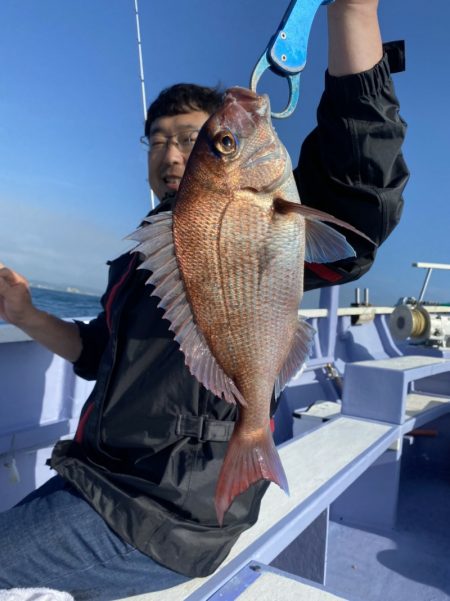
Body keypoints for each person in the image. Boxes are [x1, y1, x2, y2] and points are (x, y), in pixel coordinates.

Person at [0, 1, 409, 599]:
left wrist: (353, 13)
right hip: (92, 478)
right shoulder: (141, 260)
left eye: (195, 141)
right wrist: (25, 316)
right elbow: (98, 355)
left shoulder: (265, 220)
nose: (169, 154)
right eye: (157, 140)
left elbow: (359, 200)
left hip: (165, 514)